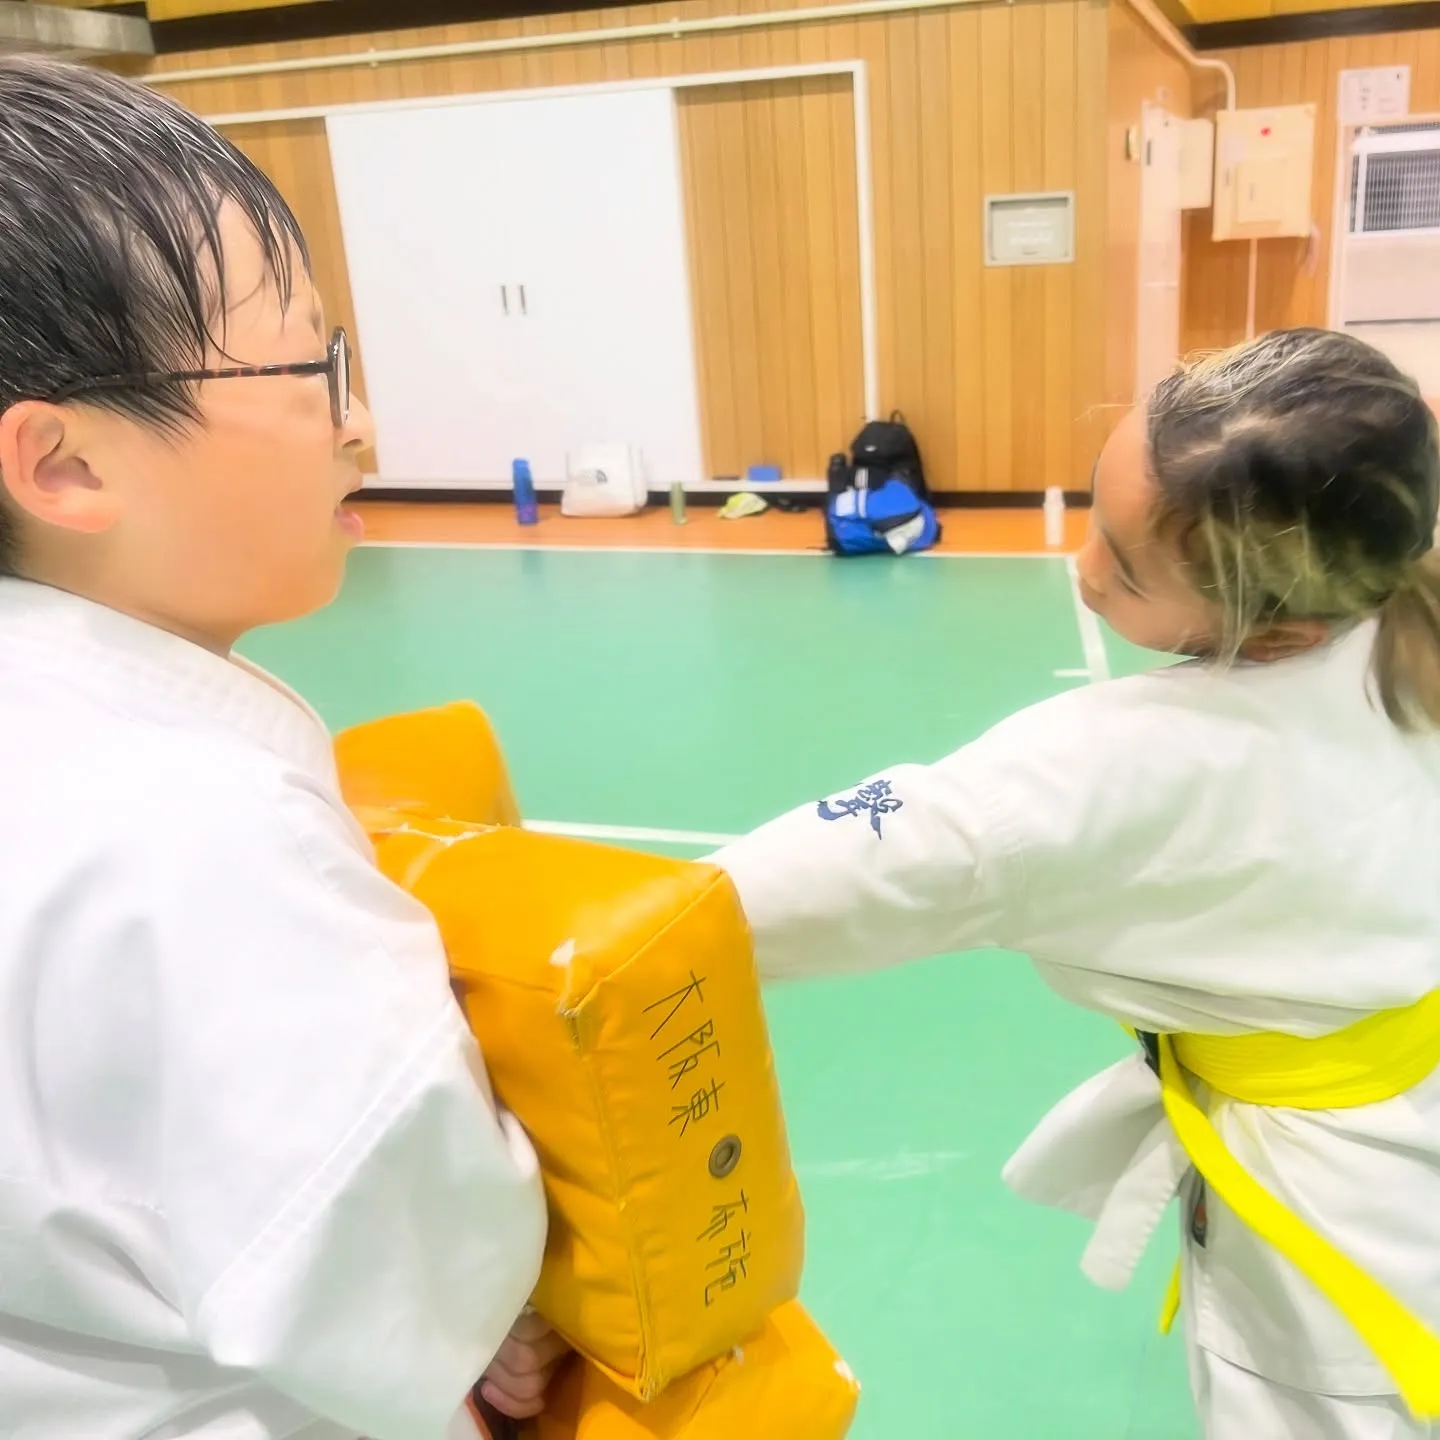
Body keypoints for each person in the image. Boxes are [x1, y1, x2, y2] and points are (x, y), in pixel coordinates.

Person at [715, 328, 1440, 1439]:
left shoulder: (1124, 768)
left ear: (1276, 622)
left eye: (1124, 560)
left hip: (1336, 1272)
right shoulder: (1395, 617)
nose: (1082, 567)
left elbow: (745, 906)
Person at [0, 58, 566, 1439]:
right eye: (315, 368)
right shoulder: (196, 836)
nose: (358, 423)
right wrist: (517, 1304)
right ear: (64, 463)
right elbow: (413, 1272)